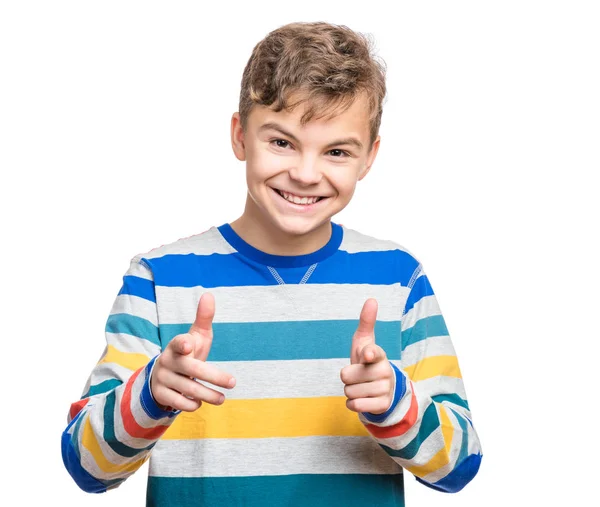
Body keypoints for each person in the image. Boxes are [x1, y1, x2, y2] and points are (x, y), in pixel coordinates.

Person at [61, 21, 482, 506]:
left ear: (369, 158)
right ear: (240, 136)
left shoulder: (398, 278)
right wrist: (151, 391)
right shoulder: (159, 278)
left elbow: (460, 466)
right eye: (281, 142)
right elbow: (87, 467)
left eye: (337, 151)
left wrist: (396, 405)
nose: (304, 173)